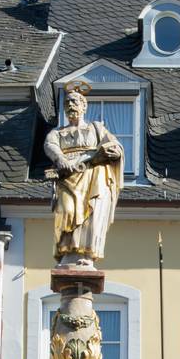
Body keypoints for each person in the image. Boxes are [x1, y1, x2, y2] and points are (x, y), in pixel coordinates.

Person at [44, 85, 124, 266]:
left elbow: (116, 146)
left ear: (84, 106)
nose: (70, 105)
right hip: (67, 177)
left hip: (93, 175)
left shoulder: (96, 128)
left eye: (74, 101)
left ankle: (85, 254)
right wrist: (60, 159)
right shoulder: (57, 133)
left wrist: (113, 152)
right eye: (67, 102)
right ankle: (67, 252)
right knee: (66, 211)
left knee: (92, 215)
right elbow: (50, 146)